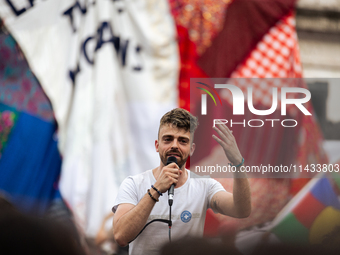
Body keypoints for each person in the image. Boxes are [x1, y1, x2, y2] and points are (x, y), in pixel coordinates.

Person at [112, 108, 251, 255]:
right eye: (168, 139)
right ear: (157, 146)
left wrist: (238, 164)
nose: (175, 145)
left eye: (182, 141)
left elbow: (241, 210)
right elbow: (121, 236)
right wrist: (156, 189)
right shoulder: (134, 183)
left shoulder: (205, 185)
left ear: (191, 149)